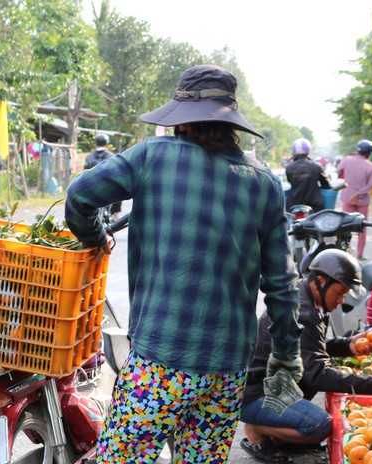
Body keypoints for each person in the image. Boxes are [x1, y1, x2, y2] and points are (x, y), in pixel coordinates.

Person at [65, 64, 303, 463]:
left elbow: (80, 196)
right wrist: (286, 353)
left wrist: (96, 238)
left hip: (161, 360)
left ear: (183, 122)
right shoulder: (264, 183)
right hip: (227, 367)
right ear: (230, 124)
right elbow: (282, 283)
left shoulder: (151, 156)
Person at [240, 249, 372, 463]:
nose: (341, 300)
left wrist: (349, 346)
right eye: (340, 292)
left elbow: (308, 348)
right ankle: (258, 429)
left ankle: (279, 434)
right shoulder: (303, 312)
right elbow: (317, 375)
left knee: (314, 373)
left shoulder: (304, 297)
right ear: (320, 281)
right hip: (257, 393)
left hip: (271, 383)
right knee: (320, 425)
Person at [336, 140, 372, 260]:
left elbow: (338, 172)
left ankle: (344, 252)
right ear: (369, 153)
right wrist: (359, 193)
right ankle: (359, 254)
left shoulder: (347, 160)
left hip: (347, 198)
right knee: (361, 227)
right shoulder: (370, 166)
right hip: (362, 200)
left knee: (345, 226)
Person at [284, 137, 331, 211]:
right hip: (315, 205)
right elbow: (325, 184)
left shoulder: (288, 168)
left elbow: (290, 181)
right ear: (308, 151)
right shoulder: (316, 167)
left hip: (294, 205)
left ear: (294, 152)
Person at [84, 133, 122, 220]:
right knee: (120, 188)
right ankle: (115, 216)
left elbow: (84, 173)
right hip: (107, 189)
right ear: (107, 144)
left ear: (96, 144)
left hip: (91, 188)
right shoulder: (112, 156)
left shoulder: (89, 157)